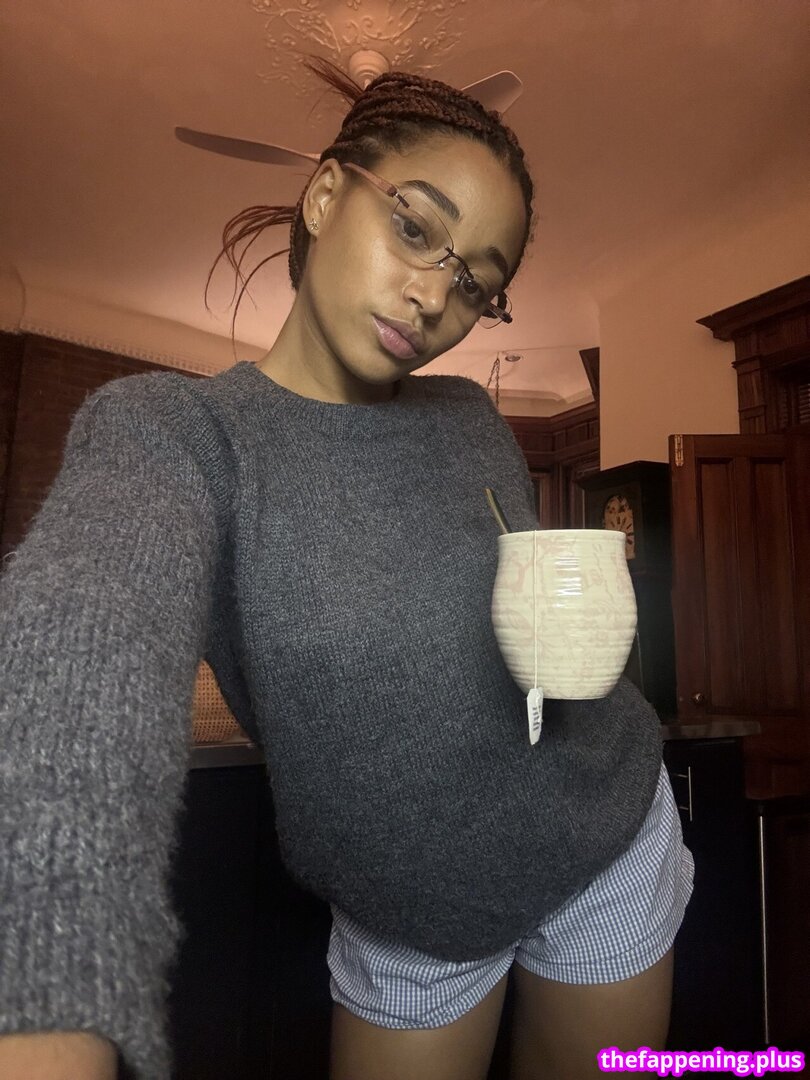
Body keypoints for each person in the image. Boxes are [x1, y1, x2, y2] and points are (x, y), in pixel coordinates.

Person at [0, 62, 694, 1080]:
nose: (436, 296)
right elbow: (73, 681)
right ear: (326, 194)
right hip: (407, 917)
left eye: (477, 284)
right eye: (414, 227)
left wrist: (581, 621)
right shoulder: (178, 435)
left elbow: (521, 626)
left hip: (609, 840)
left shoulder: (470, 417)